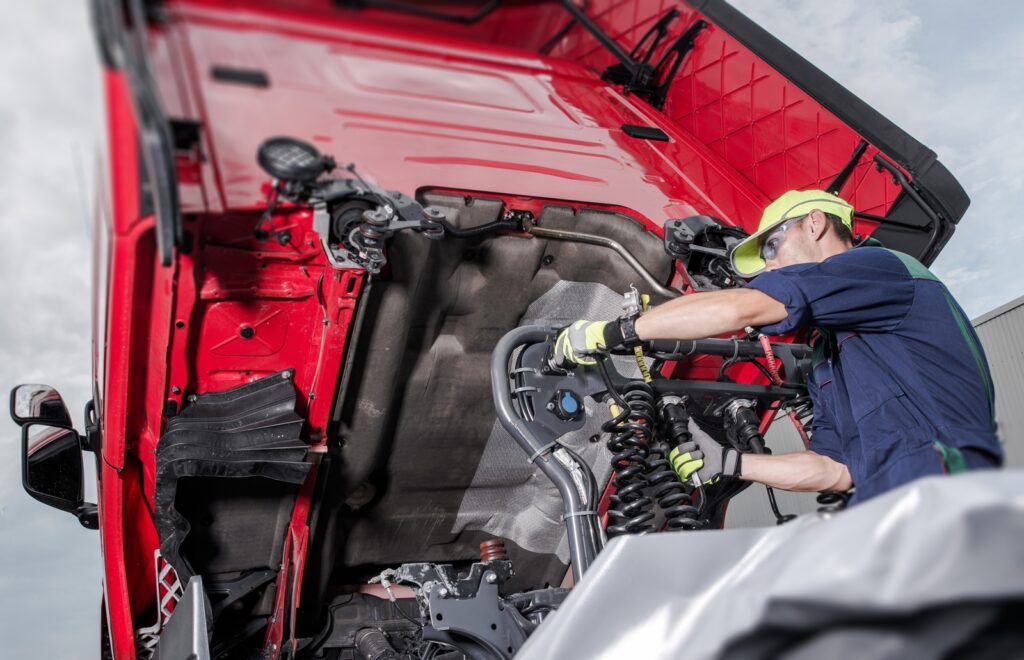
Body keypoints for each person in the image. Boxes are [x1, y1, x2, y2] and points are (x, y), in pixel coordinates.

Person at [556, 189, 1002, 504]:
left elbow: (745, 307)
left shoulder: (880, 268)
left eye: (773, 244)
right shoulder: (832, 357)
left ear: (815, 222)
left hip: (944, 503)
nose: (770, 264)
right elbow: (833, 469)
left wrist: (612, 333)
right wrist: (728, 462)